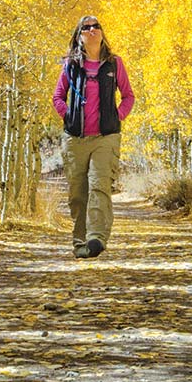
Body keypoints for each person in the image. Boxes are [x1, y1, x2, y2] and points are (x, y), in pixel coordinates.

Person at [53, 14, 134, 259]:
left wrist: (116, 116)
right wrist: (68, 116)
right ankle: (80, 243)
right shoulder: (70, 65)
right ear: (79, 36)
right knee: (78, 193)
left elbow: (128, 96)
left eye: (95, 26)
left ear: (102, 33)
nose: (92, 30)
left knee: (99, 186)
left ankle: (96, 237)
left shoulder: (114, 63)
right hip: (75, 138)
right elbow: (58, 96)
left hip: (105, 137)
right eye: (86, 27)